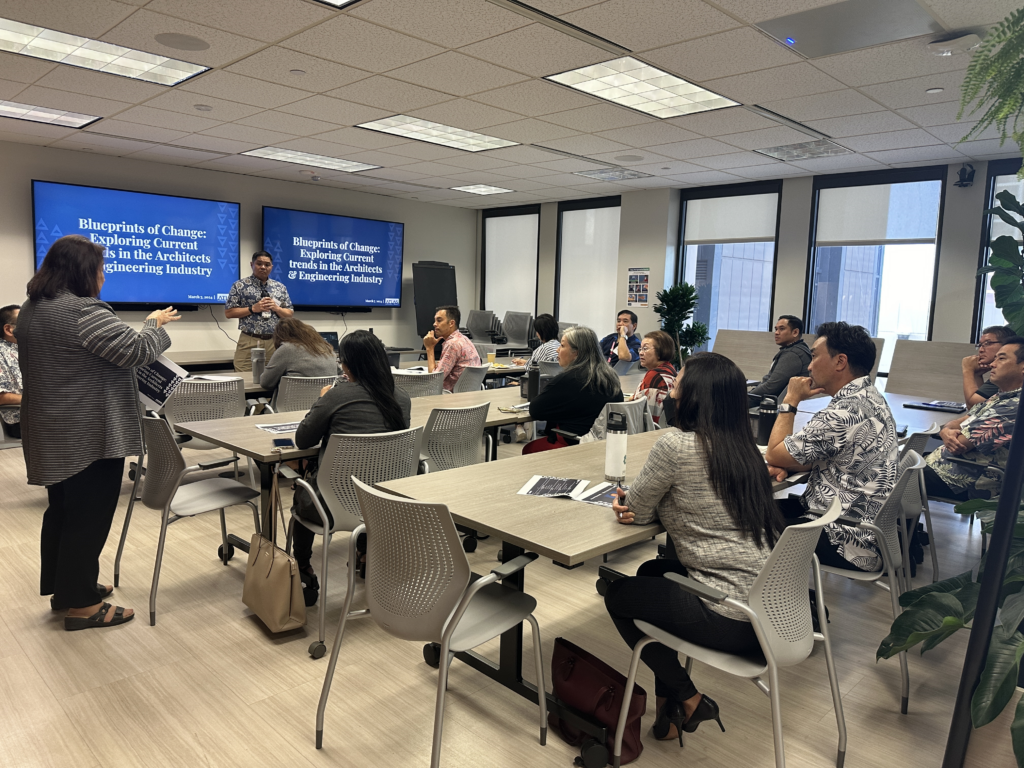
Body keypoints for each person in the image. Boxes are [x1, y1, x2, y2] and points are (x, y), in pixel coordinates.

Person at [605, 352, 782, 744]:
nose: (671, 390)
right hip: (771, 613)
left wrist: (628, 503)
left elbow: (635, 507)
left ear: (694, 396)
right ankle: (668, 718)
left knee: (617, 595)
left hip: (728, 615)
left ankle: (690, 697)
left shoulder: (676, 446)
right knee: (652, 572)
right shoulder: (748, 450)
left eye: (677, 384)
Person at [18, 234, 179, 629]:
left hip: (51, 429)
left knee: (63, 512)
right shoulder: (84, 312)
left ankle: (69, 588)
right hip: (88, 433)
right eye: (101, 270)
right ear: (84, 272)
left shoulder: (31, 309)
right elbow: (137, 351)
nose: (103, 277)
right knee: (88, 517)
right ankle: (83, 607)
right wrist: (154, 323)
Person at [764, 321, 898, 572]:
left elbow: (775, 452)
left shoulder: (845, 411)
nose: (809, 365)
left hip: (842, 536)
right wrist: (789, 463)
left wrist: (791, 399)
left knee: (743, 521)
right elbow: (827, 453)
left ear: (840, 362)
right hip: (858, 527)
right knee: (754, 510)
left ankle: (770, 602)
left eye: (814, 356)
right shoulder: (868, 397)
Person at [292, 330, 412, 605]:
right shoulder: (401, 398)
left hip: (334, 506)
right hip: (385, 502)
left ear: (346, 365)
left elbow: (302, 440)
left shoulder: (337, 396)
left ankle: (303, 568)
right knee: (368, 477)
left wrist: (321, 399)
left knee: (303, 493)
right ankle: (366, 554)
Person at [926, 336, 1024, 501]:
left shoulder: (1014, 407)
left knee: (886, 477)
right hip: (948, 465)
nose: (993, 364)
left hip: (964, 480)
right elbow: (961, 420)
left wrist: (948, 431)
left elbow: (960, 444)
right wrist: (946, 431)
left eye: (1001, 358)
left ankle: (900, 525)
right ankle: (905, 525)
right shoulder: (1002, 396)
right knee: (893, 466)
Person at [523, 325, 623, 453]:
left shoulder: (568, 379)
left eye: (563, 346)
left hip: (575, 443)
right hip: (605, 444)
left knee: (529, 449)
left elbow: (535, 410)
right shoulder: (610, 376)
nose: (558, 350)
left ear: (576, 353)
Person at [225, 251, 294, 372]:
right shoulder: (239, 286)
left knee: (273, 379)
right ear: (252, 264)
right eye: (259, 264)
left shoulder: (280, 287)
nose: (263, 267)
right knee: (244, 377)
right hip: (250, 340)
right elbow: (229, 313)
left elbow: (289, 314)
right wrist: (253, 309)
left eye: (267, 265)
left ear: (271, 267)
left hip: (275, 341)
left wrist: (276, 308)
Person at [259, 317, 339, 408]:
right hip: (321, 411)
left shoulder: (286, 349)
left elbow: (266, 383)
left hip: (287, 411)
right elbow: (338, 373)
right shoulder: (327, 348)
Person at [747, 315, 811, 407]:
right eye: (776, 329)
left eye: (782, 329)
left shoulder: (793, 354)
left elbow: (771, 386)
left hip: (774, 405)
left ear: (795, 332)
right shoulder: (797, 349)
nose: (776, 333)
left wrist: (745, 397)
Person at [423, 305, 480, 391]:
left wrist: (429, 348)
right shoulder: (464, 339)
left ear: (451, 323)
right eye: (435, 321)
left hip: (451, 397)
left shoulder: (452, 344)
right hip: (468, 396)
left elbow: (434, 380)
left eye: (439, 320)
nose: (434, 324)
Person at [632, 330, 677, 424]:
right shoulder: (670, 369)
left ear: (661, 351)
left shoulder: (655, 376)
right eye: (640, 349)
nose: (640, 353)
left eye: (645, 348)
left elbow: (647, 416)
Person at [963, 325, 1014, 406]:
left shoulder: (1008, 373)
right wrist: (977, 374)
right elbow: (981, 406)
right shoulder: (998, 372)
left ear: (1006, 346)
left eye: (987, 343)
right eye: (980, 345)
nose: (981, 350)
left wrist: (968, 370)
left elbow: (974, 406)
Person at [0, 304, 22, 438]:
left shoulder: (26, 348)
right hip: (22, 420)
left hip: (49, 413)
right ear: (8, 329)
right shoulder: (1, 354)